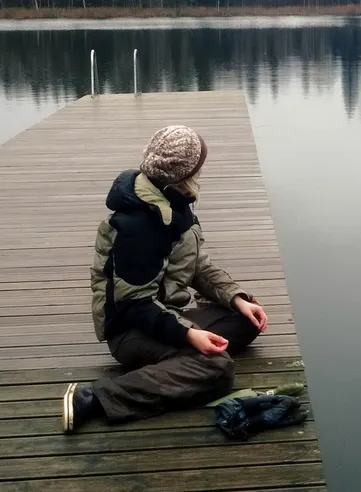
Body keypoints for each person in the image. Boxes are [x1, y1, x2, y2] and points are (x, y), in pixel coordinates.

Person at [62, 125, 269, 434]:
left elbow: (197, 265)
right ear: (183, 173)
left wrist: (237, 298)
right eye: (198, 167)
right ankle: (94, 397)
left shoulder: (175, 201)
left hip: (167, 311)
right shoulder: (137, 226)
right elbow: (134, 303)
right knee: (217, 368)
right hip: (130, 329)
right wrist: (189, 335)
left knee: (246, 319)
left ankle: (173, 364)